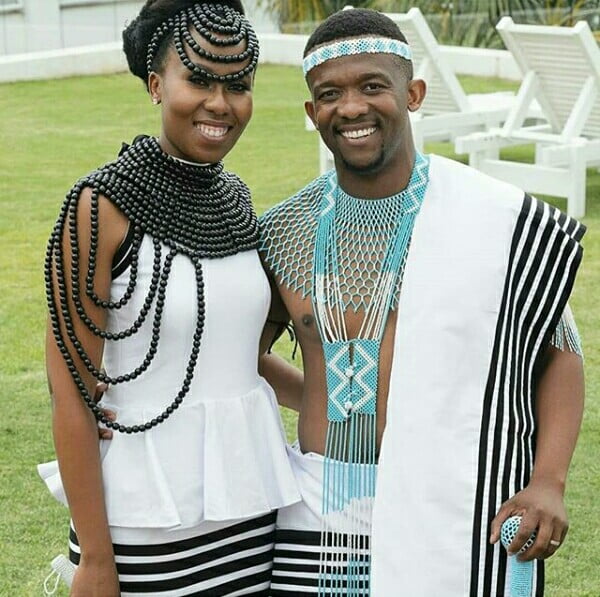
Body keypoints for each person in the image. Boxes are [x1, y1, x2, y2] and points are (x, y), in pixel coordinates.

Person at [258, 8, 585, 596]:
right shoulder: (283, 231)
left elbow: (559, 352)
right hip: (315, 508)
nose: (351, 107)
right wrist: (318, 390)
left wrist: (549, 481)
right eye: (330, 94)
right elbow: (238, 353)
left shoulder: (488, 219)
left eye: (373, 86)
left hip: (449, 496)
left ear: (413, 93)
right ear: (312, 113)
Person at [38, 1, 300, 595]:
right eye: (200, 80)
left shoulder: (234, 199)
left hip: (250, 515)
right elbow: (71, 395)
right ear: (157, 85)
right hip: (144, 528)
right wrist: (97, 562)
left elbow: (231, 355)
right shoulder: (99, 207)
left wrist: (354, 412)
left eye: (238, 84)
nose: (220, 103)